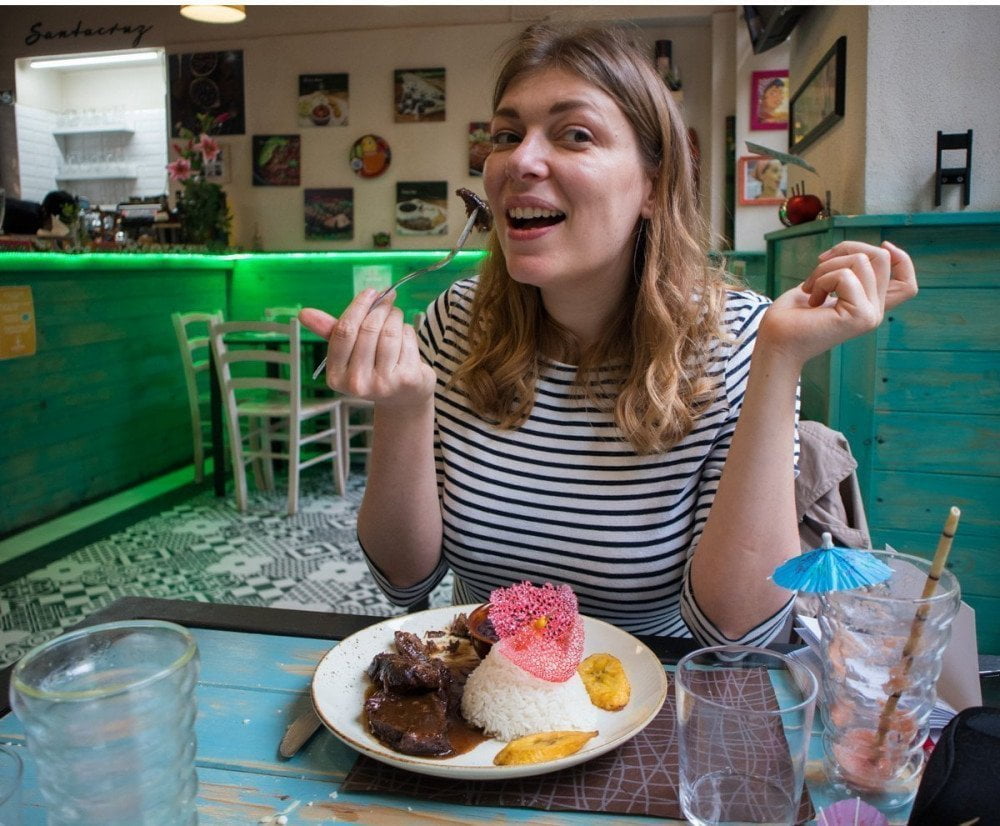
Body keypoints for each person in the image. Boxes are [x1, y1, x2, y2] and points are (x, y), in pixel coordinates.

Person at [300, 24, 917, 646]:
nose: (519, 161)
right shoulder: (456, 319)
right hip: (480, 680)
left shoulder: (740, 339)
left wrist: (778, 360)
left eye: (575, 134)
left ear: (652, 185)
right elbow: (403, 580)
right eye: (507, 136)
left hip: (651, 686)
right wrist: (404, 409)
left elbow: (735, 630)